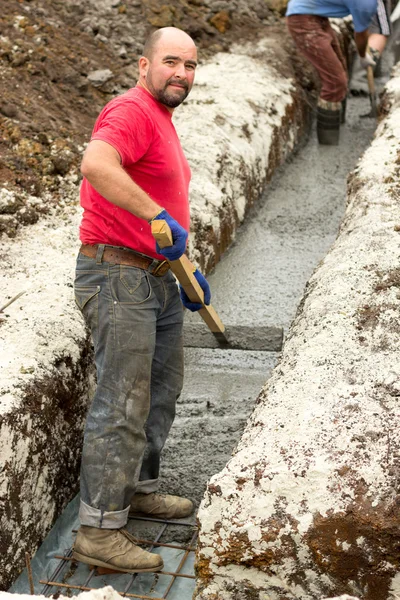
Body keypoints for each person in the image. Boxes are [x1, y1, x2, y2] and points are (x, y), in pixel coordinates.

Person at [72, 26, 210, 574]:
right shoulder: (129, 110)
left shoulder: (161, 118)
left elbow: (164, 200)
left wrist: (188, 270)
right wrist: (156, 218)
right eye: (171, 62)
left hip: (156, 274)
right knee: (122, 401)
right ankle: (99, 531)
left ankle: (136, 488)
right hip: (117, 275)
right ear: (143, 65)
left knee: (160, 390)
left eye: (191, 66)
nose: (181, 73)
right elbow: (97, 166)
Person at [286, 0, 377, 145]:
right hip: (303, 18)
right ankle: (328, 143)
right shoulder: (366, 4)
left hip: (318, 16)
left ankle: (338, 122)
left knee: (340, 70)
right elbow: (361, 34)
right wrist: (362, 56)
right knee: (336, 82)